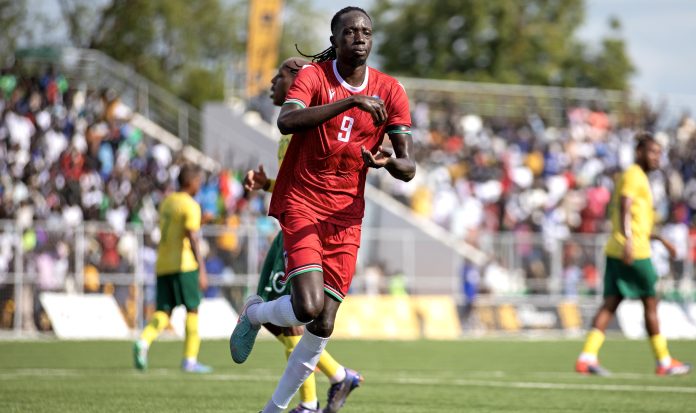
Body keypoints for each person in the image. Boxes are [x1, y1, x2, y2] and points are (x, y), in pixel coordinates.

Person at [230, 6, 416, 413]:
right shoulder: (316, 77)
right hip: (303, 201)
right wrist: (350, 103)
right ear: (334, 41)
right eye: (350, 32)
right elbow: (287, 120)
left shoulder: (391, 90)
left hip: (346, 214)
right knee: (306, 307)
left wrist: (389, 163)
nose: (360, 37)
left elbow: (408, 166)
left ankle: (276, 409)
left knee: (323, 323)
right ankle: (256, 312)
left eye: (366, 31)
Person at [243, 57, 363, 413]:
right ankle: (333, 380)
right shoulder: (289, 132)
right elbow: (297, 184)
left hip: (306, 229)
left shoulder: (313, 126)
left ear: (299, 81)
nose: (271, 85)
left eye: (278, 77)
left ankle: (313, 399)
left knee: (293, 319)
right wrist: (267, 184)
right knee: (289, 321)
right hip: (293, 224)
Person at [575, 133, 691, 376]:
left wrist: (661, 239)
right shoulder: (634, 175)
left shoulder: (641, 178)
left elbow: (638, 222)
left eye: (659, 153)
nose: (657, 157)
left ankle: (587, 357)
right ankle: (663, 361)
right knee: (650, 301)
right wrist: (629, 240)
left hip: (619, 249)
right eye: (652, 152)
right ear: (639, 152)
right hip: (634, 252)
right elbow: (624, 206)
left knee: (611, 303)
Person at [133, 164, 211, 373]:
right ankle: (190, 360)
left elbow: (179, 230)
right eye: (198, 182)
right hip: (184, 264)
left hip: (163, 264)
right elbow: (191, 237)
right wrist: (202, 269)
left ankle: (143, 341)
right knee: (192, 309)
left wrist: (200, 223)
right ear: (191, 182)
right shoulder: (190, 205)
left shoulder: (167, 202)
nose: (200, 186)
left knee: (163, 311)